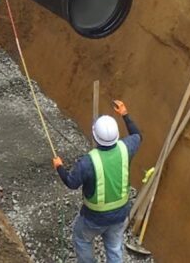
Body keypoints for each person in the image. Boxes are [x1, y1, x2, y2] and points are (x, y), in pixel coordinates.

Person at [53, 100, 141, 263]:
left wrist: (59, 167)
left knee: (82, 239)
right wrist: (125, 114)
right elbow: (138, 135)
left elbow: (72, 183)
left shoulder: (88, 162)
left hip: (94, 218)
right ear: (116, 136)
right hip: (121, 213)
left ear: (95, 135)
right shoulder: (125, 148)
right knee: (114, 247)